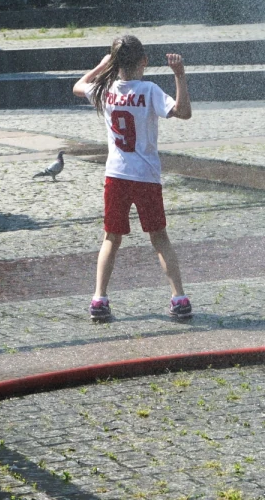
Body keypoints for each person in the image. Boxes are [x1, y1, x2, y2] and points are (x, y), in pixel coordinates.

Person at [73, 35, 193, 321]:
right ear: (144, 62)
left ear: (114, 63)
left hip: (116, 175)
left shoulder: (105, 90)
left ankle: (99, 299)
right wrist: (180, 76)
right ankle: (179, 298)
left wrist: (102, 67)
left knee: (111, 238)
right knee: (159, 238)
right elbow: (184, 112)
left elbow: (77, 86)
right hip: (146, 176)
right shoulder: (149, 90)